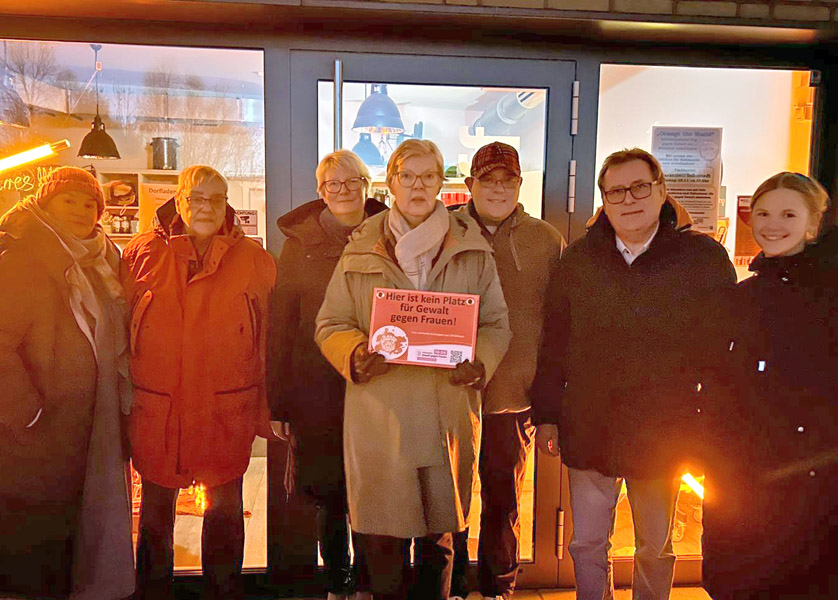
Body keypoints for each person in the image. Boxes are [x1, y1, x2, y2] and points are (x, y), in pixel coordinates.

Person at [531, 148, 736, 600]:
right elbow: (554, 346)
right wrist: (546, 415)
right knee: (586, 543)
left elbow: (722, 351)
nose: (629, 199)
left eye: (640, 187)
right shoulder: (578, 262)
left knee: (655, 547)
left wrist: (711, 421)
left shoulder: (703, 259)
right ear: (604, 200)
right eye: (616, 191)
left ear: (661, 191)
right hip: (589, 424)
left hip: (665, 429)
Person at [314, 139, 511, 600]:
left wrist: (481, 361)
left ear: (441, 182)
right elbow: (331, 323)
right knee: (382, 544)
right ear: (391, 183)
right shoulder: (361, 247)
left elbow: (496, 323)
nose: (418, 186)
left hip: (446, 412)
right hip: (381, 414)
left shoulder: (472, 247)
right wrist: (354, 353)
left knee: (438, 542)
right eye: (408, 176)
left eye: (428, 176)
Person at [122, 165, 276, 600]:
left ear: (226, 204)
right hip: (158, 410)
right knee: (155, 518)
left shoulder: (254, 260)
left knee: (225, 513)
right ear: (179, 200)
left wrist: (269, 410)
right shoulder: (140, 253)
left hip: (226, 409)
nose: (206, 207)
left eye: (216, 199)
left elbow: (270, 339)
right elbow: (117, 331)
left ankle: (223, 594)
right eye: (197, 198)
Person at [702, 172, 838, 600]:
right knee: (737, 576)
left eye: (788, 215)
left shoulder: (828, 298)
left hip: (808, 477)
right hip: (739, 472)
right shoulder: (741, 297)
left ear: (813, 224)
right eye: (763, 213)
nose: (772, 224)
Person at [0, 167, 134, 600]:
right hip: (38, 435)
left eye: (89, 203)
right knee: (36, 548)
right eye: (68, 200)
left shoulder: (102, 262)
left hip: (89, 425)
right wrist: (28, 414)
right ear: (46, 203)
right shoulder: (22, 259)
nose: (80, 210)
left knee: (73, 536)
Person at [267, 150, 386, 600]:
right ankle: (337, 583)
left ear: (367, 185)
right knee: (330, 495)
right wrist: (279, 402)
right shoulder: (298, 245)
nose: (343, 190)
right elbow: (281, 323)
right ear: (321, 191)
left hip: (378, 382)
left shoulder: (392, 234)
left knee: (374, 490)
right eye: (333, 184)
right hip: (315, 388)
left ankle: (369, 583)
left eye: (352, 181)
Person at [449, 142, 565, 600]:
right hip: (450, 396)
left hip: (514, 398)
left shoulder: (546, 240)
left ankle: (498, 586)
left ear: (519, 185)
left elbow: (559, 322)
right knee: (450, 503)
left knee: (503, 503)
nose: (498, 189)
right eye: (488, 180)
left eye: (508, 181)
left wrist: (549, 395)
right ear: (470, 185)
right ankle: (452, 586)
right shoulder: (443, 231)